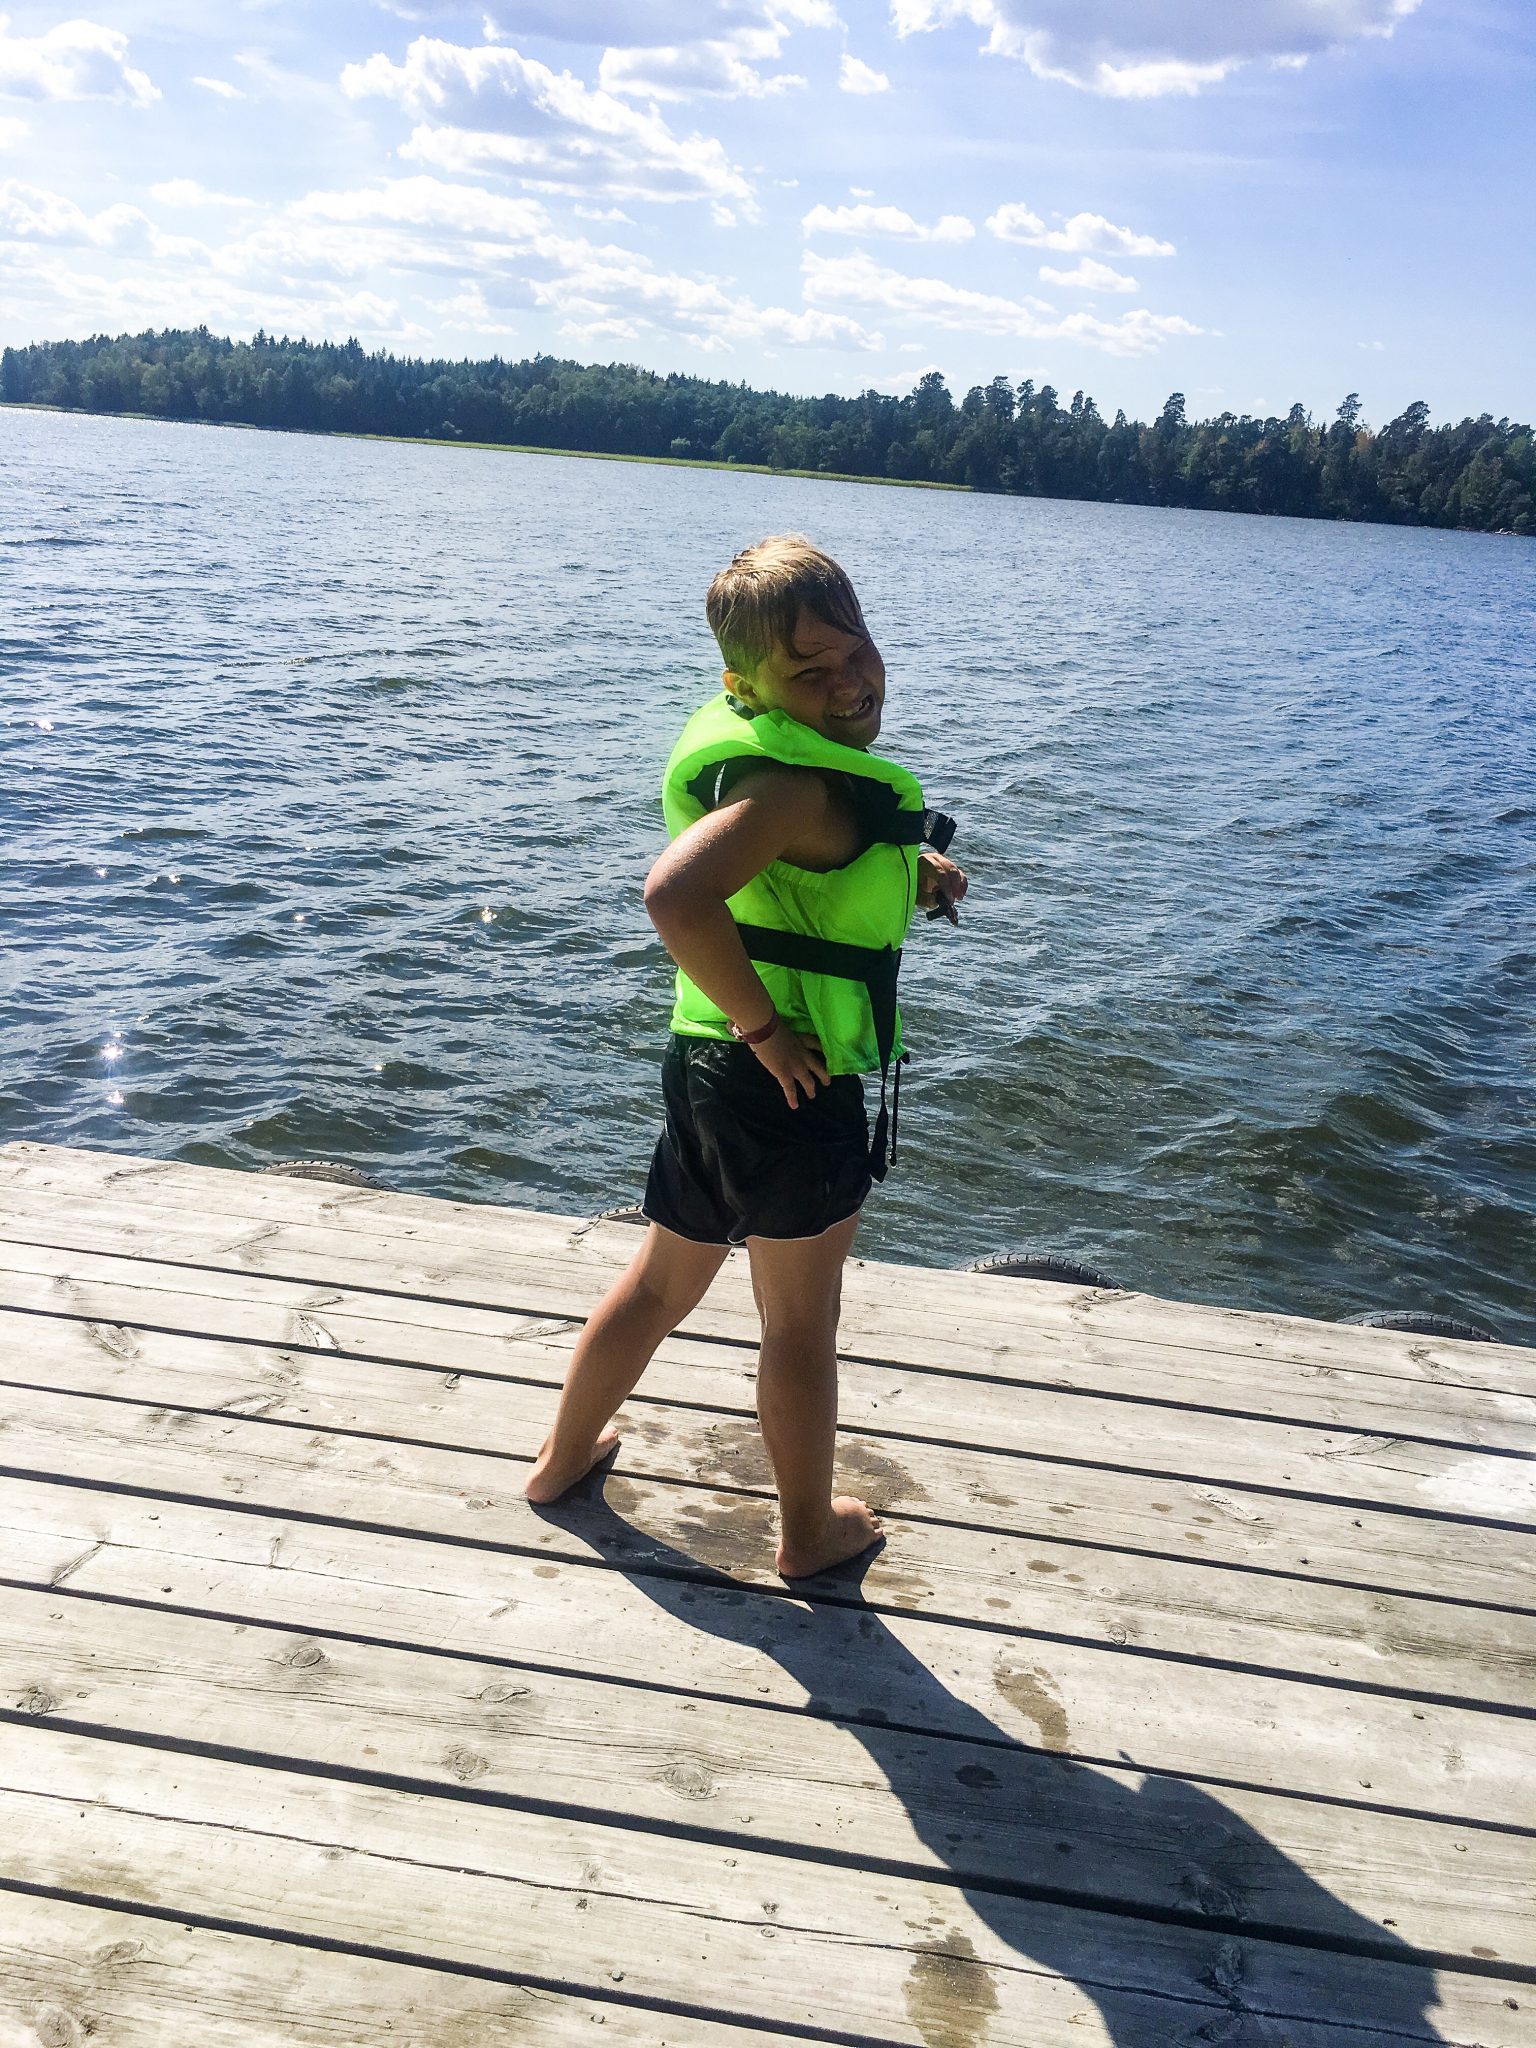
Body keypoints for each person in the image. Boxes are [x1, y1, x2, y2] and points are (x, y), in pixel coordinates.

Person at [525, 534, 967, 1577]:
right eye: (810, 672)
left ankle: (558, 1461)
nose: (847, 682)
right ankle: (809, 1534)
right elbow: (675, 894)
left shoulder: (790, 783)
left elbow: (797, 887)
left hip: (707, 1067)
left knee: (658, 1284)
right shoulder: (795, 791)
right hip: (790, 1081)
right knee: (800, 1323)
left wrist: (912, 871)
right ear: (745, 685)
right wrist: (771, 1031)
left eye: (855, 650)